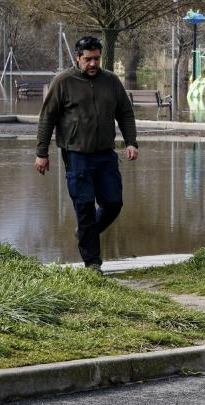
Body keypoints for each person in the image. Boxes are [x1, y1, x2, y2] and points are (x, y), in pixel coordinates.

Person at [35, 35, 138, 274]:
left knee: (113, 203)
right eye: (88, 59)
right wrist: (42, 153)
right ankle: (93, 263)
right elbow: (47, 118)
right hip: (76, 155)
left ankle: (84, 231)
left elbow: (125, 112)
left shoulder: (111, 81)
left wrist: (131, 142)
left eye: (96, 59)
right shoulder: (63, 81)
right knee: (84, 207)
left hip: (105, 155)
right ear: (77, 57)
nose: (93, 64)